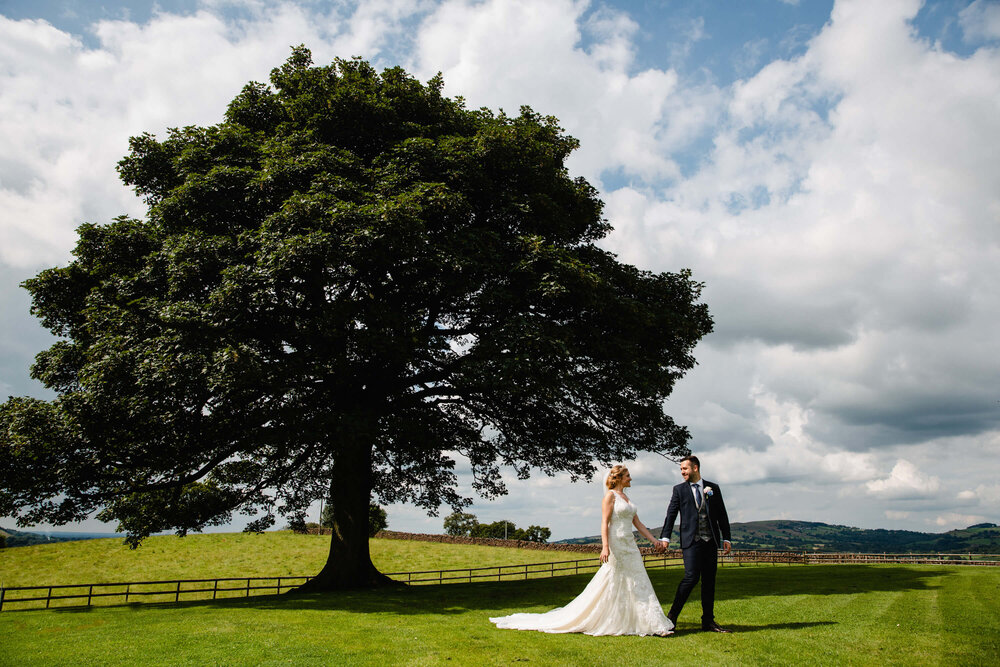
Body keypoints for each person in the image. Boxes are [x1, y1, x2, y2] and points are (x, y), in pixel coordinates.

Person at [490, 465, 674, 636]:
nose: (630, 478)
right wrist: (605, 547)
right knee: (614, 577)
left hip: (630, 543)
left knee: (638, 578)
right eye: (627, 476)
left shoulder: (627, 498)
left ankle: (649, 622)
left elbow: (638, 523)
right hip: (616, 542)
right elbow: (605, 522)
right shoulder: (610, 496)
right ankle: (611, 618)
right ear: (618, 478)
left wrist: (653, 540)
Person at [658, 455, 732, 632]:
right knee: (691, 578)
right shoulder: (679, 490)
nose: (682, 472)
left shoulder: (712, 488)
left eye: (685, 468)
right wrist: (665, 537)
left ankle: (708, 621)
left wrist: (726, 538)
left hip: (711, 541)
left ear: (695, 468)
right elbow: (671, 514)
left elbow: (722, 514)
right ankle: (672, 618)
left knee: (709, 581)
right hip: (691, 541)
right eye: (681, 469)